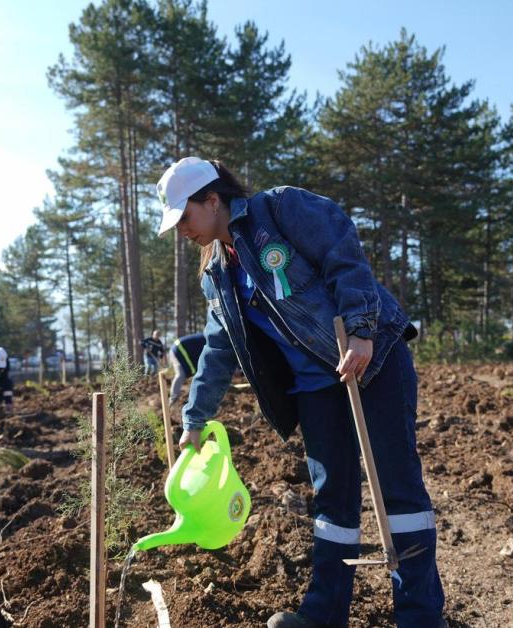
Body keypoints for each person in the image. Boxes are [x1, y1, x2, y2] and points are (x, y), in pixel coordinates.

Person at [157, 157, 444, 628]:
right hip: (316, 388)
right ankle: (323, 616)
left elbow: (342, 251)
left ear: (212, 200)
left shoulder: (280, 211)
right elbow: (217, 350)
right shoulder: (217, 275)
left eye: (184, 217)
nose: (181, 230)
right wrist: (194, 419)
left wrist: (361, 330)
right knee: (332, 500)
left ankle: (419, 616)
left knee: (398, 489)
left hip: (373, 361)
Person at [168, 333, 206, 403]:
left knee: (193, 373)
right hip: (180, 349)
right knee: (182, 375)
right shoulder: (213, 340)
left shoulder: (211, 336)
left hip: (178, 348)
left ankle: (188, 397)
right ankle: (173, 398)